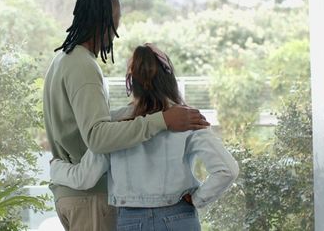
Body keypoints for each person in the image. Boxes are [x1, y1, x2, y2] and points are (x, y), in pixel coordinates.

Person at [43, 0, 210, 231]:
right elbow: (98, 137)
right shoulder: (84, 66)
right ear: (104, 20)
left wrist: (134, 114)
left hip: (72, 194)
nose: (117, 27)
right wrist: (162, 120)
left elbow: (86, 125)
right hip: (91, 199)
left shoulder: (62, 60)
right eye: (117, 18)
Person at [50, 44, 239, 231]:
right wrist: (198, 198)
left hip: (132, 221)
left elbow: (85, 178)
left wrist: (56, 168)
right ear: (169, 78)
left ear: (131, 82)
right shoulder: (188, 119)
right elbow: (227, 170)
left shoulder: (113, 124)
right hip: (179, 217)